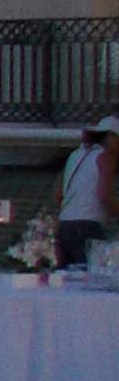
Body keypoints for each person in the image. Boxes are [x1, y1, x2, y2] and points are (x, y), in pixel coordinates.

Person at [59, 115, 118, 269]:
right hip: (87, 226)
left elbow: (57, 193)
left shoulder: (75, 155)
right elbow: (104, 194)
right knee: (95, 274)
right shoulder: (106, 157)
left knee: (68, 276)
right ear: (111, 137)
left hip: (64, 224)